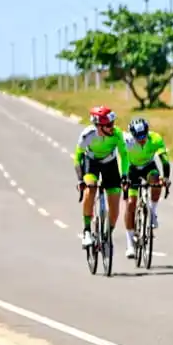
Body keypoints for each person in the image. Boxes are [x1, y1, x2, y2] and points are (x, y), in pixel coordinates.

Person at [74, 106, 130, 250]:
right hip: (91, 163)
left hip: (110, 164)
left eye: (113, 123)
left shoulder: (117, 134)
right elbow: (77, 157)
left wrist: (124, 176)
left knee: (115, 206)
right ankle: (87, 231)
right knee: (90, 189)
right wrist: (80, 179)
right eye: (109, 125)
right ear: (99, 126)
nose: (112, 127)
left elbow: (124, 156)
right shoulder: (87, 135)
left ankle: (107, 235)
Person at [122, 117, 172, 258]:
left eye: (143, 136)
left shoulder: (155, 139)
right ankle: (130, 244)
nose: (141, 140)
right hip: (132, 169)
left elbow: (164, 160)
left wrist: (166, 177)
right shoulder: (127, 141)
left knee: (156, 181)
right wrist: (124, 178)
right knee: (131, 204)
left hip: (148, 167)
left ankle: (153, 211)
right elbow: (123, 160)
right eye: (138, 137)